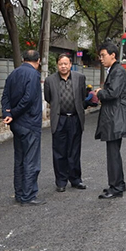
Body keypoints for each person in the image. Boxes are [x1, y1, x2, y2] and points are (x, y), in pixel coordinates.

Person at [1, 50, 45, 206]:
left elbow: (5, 96)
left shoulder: (13, 74)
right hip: (30, 123)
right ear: (38, 61)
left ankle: (19, 193)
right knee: (31, 161)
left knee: (19, 160)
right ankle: (28, 195)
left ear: (23, 59)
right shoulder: (34, 75)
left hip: (16, 124)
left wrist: (7, 113)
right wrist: (13, 112)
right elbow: (28, 99)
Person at [91, 41, 126, 199]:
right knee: (113, 152)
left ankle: (116, 188)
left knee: (113, 153)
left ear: (113, 55)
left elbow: (113, 93)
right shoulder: (115, 70)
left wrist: (100, 92)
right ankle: (118, 184)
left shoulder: (117, 71)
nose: (101, 59)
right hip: (115, 115)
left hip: (116, 116)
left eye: (103, 55)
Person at [44, 53, 88, 193]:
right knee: (59, 151)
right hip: (60, 119)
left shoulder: (80, 78)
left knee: (74, 150)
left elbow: (82, 96)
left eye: (66, 64)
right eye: (60, 64)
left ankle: (76, 179)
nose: (63, 66)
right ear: (57, 65)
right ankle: (61, 181)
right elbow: (48, 98)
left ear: (70, 64)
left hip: (75, 118)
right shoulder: (50, 80)